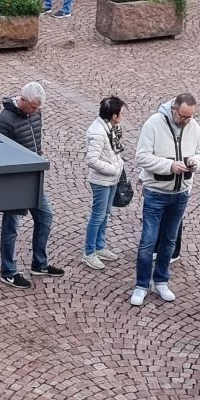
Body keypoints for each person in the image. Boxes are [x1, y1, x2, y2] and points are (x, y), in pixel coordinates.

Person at [131, 93, 200, 308]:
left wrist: (195, 162)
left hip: (181, 193)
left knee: (170, 241)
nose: (186, 121)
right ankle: (141, 284)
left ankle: (161, 280)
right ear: (174, 109)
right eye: (183, 116)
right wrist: (168, 166)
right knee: (148, 240)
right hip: (156, 192)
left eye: (190, 117)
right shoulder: (153, 124)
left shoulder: (194, 127)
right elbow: (142, 157)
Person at [0, 83, 60, 289]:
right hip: (13, 181)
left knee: (45, 216)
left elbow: (36, 144)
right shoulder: (4, 121)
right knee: (11, 225)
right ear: (22, 100)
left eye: (38, 108)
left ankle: (39, 263)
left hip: (33, 177)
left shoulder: (35, 113)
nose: (36, 111)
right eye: (33, 107)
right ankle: (8, 271)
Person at [83, 94, 125, 269]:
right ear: (113, 116)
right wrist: (114, 169)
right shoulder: (99, 133)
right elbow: (91, 160)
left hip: (110, 180)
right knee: (98, 215)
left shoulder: (111, 128)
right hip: (102, 180)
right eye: (121, 113)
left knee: (105, 214)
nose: (123, 116)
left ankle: (100, 246)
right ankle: (89, 252)